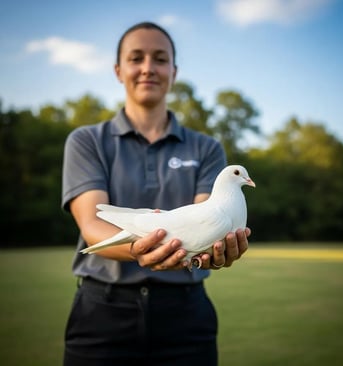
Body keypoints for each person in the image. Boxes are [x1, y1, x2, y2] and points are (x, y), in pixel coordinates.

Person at [62, 21, 250, 366]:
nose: (148, 67)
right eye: (136, 58)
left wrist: (216, 248)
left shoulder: (207, 148)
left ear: (174, 72)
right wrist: (139, 247)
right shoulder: (86, 141)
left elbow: (207, 220)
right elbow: (91, 223)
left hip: (186, 313)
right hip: (101, 314)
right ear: (118, 70)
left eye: (160, 59)